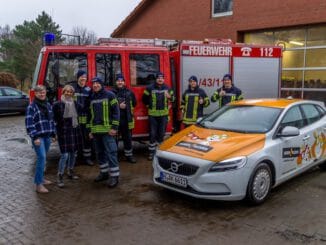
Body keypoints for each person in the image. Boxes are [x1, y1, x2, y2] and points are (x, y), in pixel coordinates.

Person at [88, 77, 120, 188]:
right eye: (94, 84)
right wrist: (90, 130)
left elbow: (116, 112)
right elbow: (89, 115)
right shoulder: (91, 97)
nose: (95, 85)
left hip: (108, 131)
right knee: (99, 153)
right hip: (96, 132)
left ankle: (115, 176)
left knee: (111, 153)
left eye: (97, 83)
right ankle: (104, 173)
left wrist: (114, 127)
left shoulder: (110, 95)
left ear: (101, 84)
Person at [25, 85, 56, 193]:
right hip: (38, 138)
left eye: (43, 92)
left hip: (47, 136)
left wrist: (53, 134)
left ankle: (42, 178)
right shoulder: (31, 107)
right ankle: (38, 185)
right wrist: (35, 137)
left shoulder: (48, 104)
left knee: (43, 158)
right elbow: (29, 124)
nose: (42, 94)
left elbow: (51, 120)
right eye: (39, 93)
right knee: (41, 158)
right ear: (35, 94)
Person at [52, 85, 82, 188]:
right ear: (63, 92)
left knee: (73, 153)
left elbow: (84, 110)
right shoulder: (57, 105)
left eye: (70, 92)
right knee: (65, 155)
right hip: (63, 132)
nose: (68, 93)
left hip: (74, 131)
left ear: (73, 94)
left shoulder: (76, 104)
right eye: (66, 91)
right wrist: (54, 133)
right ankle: (60, 175)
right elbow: (53, 120)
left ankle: (70, 171)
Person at [142, 72, 174, 160]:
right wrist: (149, 106)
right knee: (152, 134)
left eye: (162, 78)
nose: (160, 79)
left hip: (164, 115)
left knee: (161, 134)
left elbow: (174, 99)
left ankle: (159, 152)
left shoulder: (168, 88)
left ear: (163, 79)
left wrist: (170, 97)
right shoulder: (149, 88)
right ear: (156, 79)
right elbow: (144, 99)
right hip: (153, 115)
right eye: (158, 78)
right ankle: (151, 153)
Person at [112, 74, 137, 163]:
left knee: (128, 139)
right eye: (118, 81)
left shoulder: (129, 92)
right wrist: (119, 106)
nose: (120, 82)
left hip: (127, 120)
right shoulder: (112, 93)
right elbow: (109, 106)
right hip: (116, 121)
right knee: (114, 140)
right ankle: (115, 157)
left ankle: (129, 156)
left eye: (121, 81)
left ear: (124, 82)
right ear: (115, 82)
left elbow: (134, 103)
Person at [71, 70, 93, 166]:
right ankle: (74, 159)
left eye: (85, 77)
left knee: (87, 139)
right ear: (78, 78)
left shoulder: (88, 90)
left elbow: (91, 104)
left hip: (86, 118)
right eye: (81, 77)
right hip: (74, 119)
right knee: (75, 140)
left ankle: (87, 158)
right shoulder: (72, 89)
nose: (83, 79)